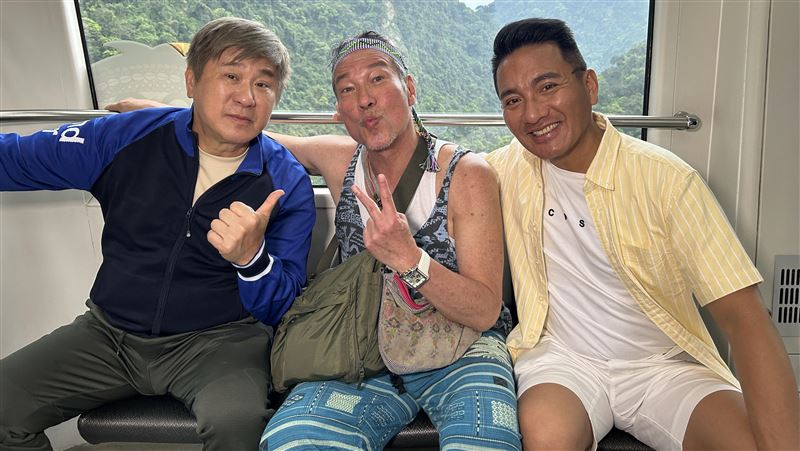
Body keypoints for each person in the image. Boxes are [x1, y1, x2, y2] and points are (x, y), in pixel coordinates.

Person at [0, 17, 314, 451]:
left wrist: (252, 260)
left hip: (220, 343)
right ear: (192, 81)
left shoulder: (285, 182)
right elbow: (15, 160)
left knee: (238, 425)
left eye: (263, 84)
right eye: (231, 76)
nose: (246, 97)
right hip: (109, 334)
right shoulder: (125, 138)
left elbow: (283, 306)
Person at [486, 18, 799, 451]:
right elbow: (435, 170)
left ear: (589, 86)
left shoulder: (666, 180)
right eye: (513, 100)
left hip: (664, 365)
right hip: (563, 358)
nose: (533, 113)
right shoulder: (501, 170)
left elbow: (744, 318)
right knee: (547, 437)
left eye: (548, 87)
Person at [256, 31, 521, 450]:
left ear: (409, 89)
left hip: (461, 348)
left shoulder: (465, 174)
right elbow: (251, 133)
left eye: (378, 79)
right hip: (362, 347)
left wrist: (410, 259)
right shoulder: (341, 160)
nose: (364, 99)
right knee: (293, 441)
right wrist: (162, 115)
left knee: (486, 442)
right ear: (339, 111)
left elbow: (486, 310)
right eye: (347, 89)